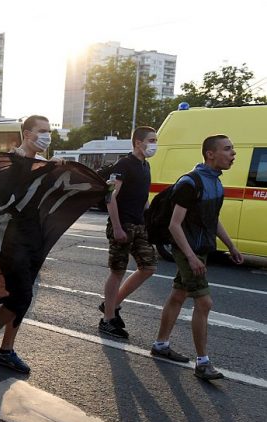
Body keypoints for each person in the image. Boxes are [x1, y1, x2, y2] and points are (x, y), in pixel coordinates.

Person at [151, 135, 243, 380]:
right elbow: (174, 225)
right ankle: (203, 363)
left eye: (232, 149)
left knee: (179, 294)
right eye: (227, 149)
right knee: (204, 303)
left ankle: (160, 345)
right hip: (187, 249)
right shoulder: (190, 183)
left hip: (200, 249)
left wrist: (231, 246)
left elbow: (212, 220)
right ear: (210, 154)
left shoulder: (216, 183)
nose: (233, 153)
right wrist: (191, 257)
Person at [0, 115, 60, 374]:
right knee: (21, 295)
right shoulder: (10, 163)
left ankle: (7, 349)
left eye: (49, 131)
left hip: (35, 239)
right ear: (27, 134)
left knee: (22, 296)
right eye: (41, 131)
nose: (46, 135)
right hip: (10, 240)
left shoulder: (44, 164)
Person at [97, 127, 159, 338]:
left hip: (139, 226)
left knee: (148, 267)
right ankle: (107, 320)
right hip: (122, 225)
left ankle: (111, 305)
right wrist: (116, 227)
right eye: (151, 140)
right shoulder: (125, 164)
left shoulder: (145, 165)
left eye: (155, 140)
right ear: (137, 142)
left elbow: (142, 197)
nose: (154, 144)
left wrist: (150, 218)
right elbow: (110, 196)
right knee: (118, 271)